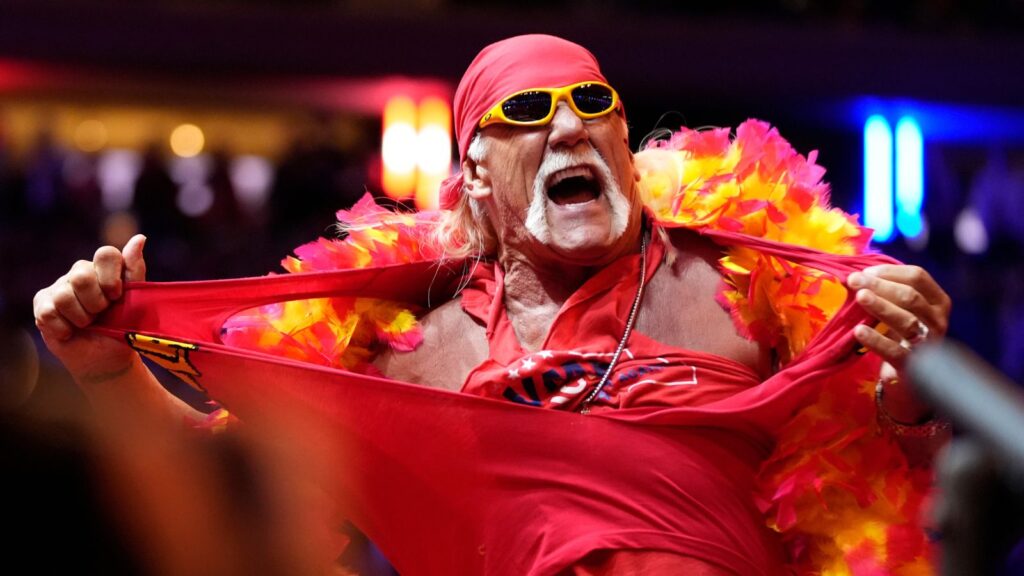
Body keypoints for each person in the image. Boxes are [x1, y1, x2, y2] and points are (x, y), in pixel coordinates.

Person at [34, 35, 951, 574]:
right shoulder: (410, 351)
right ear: (474, 177)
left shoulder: (744, 283)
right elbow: (230, 498)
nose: (568, 126)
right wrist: (105, 370)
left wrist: (915, 373)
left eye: (591, 103)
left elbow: (888, 475)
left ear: (625, 145)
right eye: (526, 115)